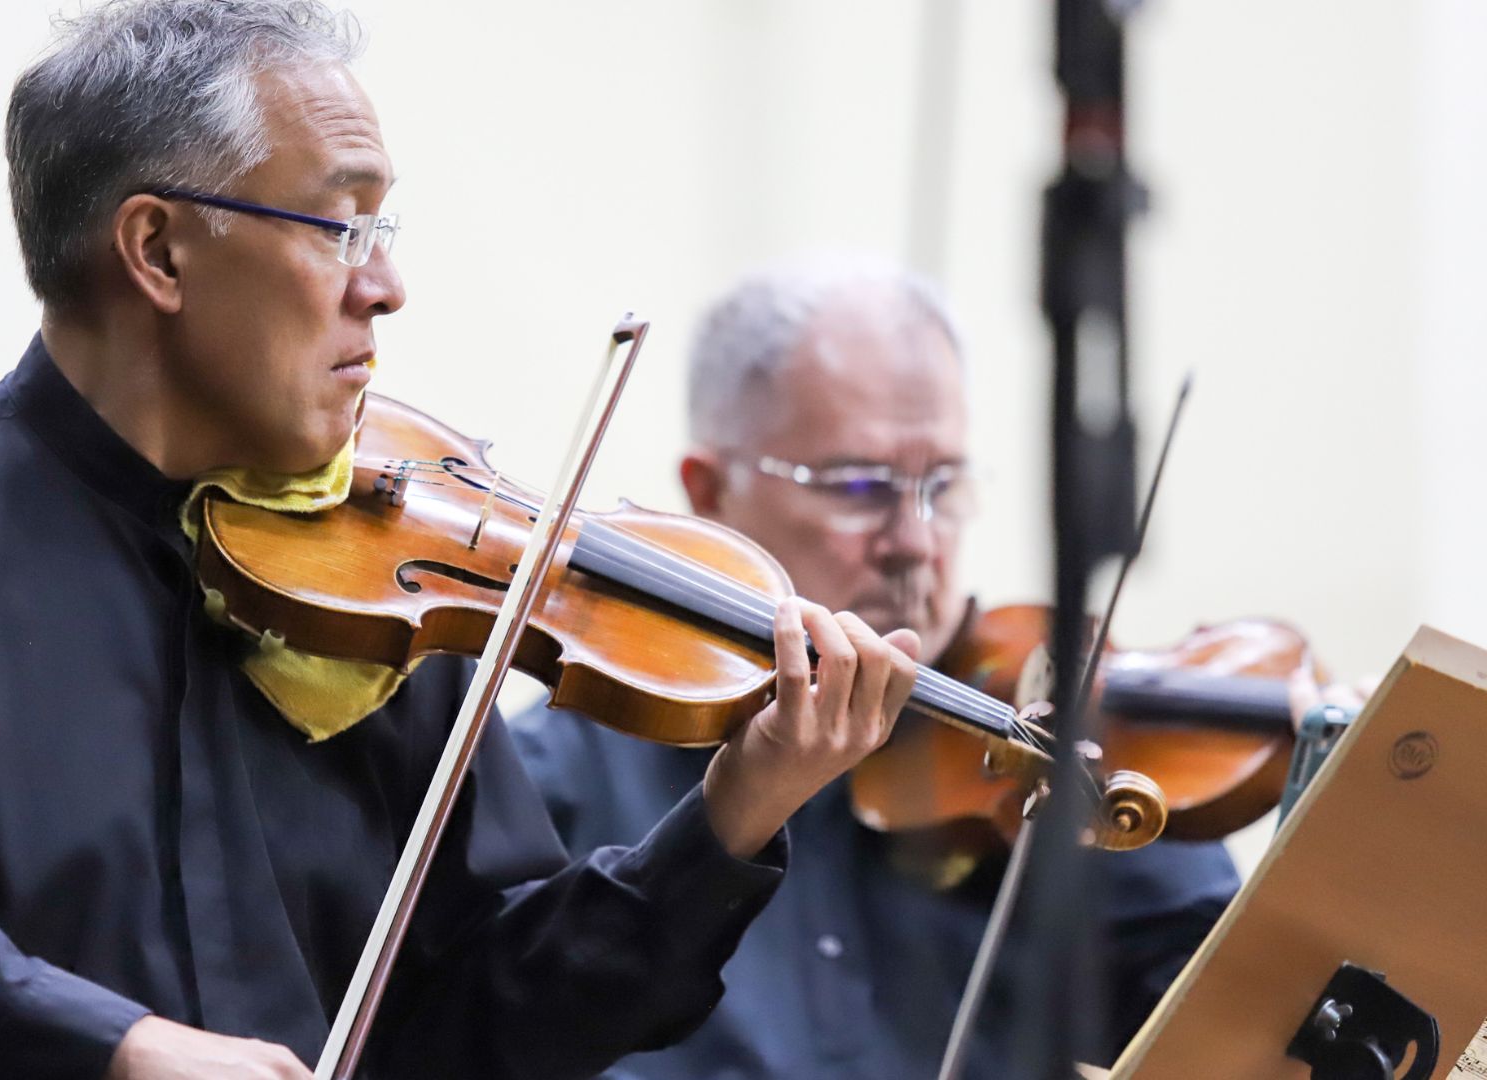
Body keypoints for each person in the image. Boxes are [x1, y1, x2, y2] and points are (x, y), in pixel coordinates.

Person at [0, 7, 924, 1080]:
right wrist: (107, 1045)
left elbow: (480, 1028)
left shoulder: (385, 596)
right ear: (161, 250)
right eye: (341, 222)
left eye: (383, 229)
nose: (386, 283)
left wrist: (732, 815)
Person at [509, 255, 1242, 1079]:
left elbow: (1249, 1021)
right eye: (859, 486)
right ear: (708, 491)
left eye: (944, 484)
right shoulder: (551, 782)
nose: (916, 543)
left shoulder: (1052, 754)